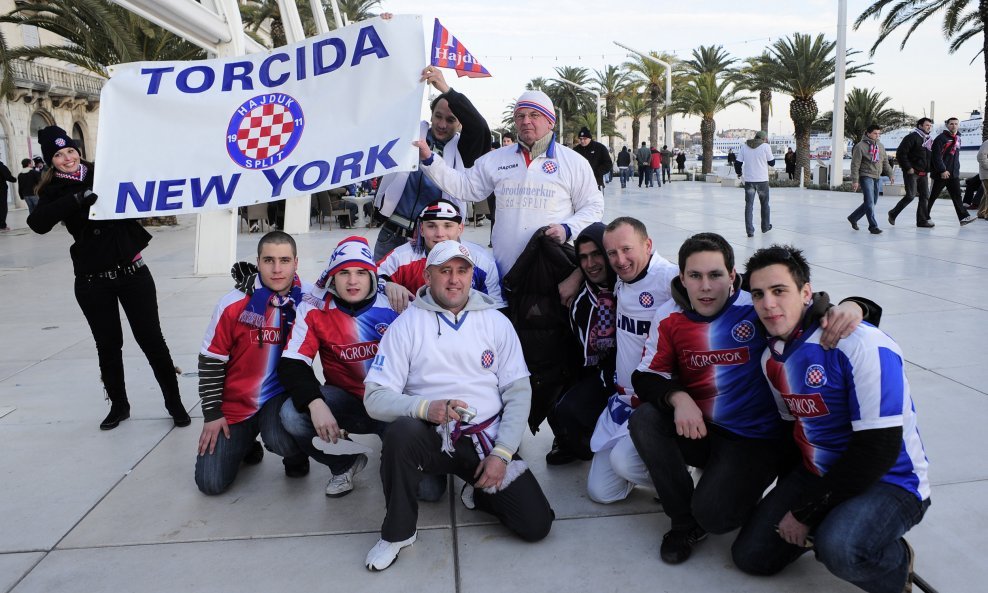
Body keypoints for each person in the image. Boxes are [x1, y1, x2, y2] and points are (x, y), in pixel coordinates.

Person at [629, 233, 869, 564]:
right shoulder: (669, 316)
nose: (705, 287)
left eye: (715, 275)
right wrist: (678, 397)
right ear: (681, 278)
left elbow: (807, 309)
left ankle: (730, 493)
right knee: (644, 419)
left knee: (716, 518)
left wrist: (856, 305)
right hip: (701, 428)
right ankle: (683, 523)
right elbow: (645, 375)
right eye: (695, 276)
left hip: (754, 440)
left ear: (732, 276)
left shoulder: (754, 306)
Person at [732, 245, 930, 593]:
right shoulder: (771, 359)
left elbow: (878, 450)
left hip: (890, 481)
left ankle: (894, 563)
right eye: (759, 294)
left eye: (779, 291)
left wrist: (806, 513)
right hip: (818, 475)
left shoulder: (862, 344)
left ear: (806, 292)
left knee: (838, 548)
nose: (768, 304)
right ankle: (832, 526)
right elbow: (791, 429)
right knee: (751, 557)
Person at [362, 240, 554, 570]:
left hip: (485, 441)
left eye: (462, 271)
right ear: (427, 276)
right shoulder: (406, 325)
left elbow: (518, 392)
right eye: (445, 271)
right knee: (400, 433)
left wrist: (502, 453)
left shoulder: (495, 321)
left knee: (537, 525)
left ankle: (478, 491)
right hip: (430, 435)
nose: (454, 280)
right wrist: (424, 408)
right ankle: (398, 532)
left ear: (471, 276)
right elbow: (374, 399)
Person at [26, 125, 190, 430]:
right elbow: (37, 223)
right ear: (51, 162)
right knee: (108, 344)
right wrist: (78, 199)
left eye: (71, 151)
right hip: (93, 279)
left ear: (78, 151)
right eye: (59, 155)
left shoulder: (105, 172)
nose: (67, 158)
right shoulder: (51, 191)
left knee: (152, 339)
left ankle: (174, 401)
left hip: (132, 271)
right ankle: (119, 405)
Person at [414, 89, 604, 278]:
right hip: (505, 271)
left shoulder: (573, 162)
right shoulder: (496, 159)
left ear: (550, 121)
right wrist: (430, 160)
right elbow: (465, 187)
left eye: (534, 115)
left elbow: (593, 206)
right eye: (520, 116)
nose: (526, 121)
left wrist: (567, 228)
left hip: (552, 272)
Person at [276, 237, 403, 498]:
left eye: (360, 273)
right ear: (332, 276)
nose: (352, 281)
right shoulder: (314, 307)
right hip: (347, 403)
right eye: (344, 272)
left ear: (372, 276)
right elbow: (292, 363)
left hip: (393, 404)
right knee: (291, 414)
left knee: (427, 490)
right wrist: (315, 402)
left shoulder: (395, 304)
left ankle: (394, 449)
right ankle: (345, 463)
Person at [195, 232, 310, 495]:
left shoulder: (306, 301)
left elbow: (350, 287)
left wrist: (387, 285)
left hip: (278, 398)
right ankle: (245, 443)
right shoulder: (233, 304)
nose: (277, 269)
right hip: (236, 402)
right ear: (258, 262)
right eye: (269, 260)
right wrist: (212, 413)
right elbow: (211, 360)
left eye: (285, 260)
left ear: (296, 263)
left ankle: (295, 455)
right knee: (210, 484)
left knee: (281, 435)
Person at [585, 217, 676, 504]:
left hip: (657, 406)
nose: (620, 260)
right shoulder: (622, 277)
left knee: (623, 462)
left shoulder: (670, 279)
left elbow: (725, 289)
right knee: (601, 492)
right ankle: (659, 470)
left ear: (648, 245)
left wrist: (814, 311)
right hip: (623, 402)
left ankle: (680, 482)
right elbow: (587, 267)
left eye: (627, 250)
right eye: (612, 253)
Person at [372, 66, 491, 260]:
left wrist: (447, 90)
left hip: (438, 242)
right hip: (392, 236)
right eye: (438, 116)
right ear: (431, 114)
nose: (442, 124)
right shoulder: (410, 133)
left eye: (451, 120)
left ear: (460, 123)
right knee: (384, 289)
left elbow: (480, 127)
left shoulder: (462, 150)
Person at [545, 222, 616, 465]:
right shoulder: (581, 303)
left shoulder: (632, 285)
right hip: (604, 374)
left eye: (597, 254)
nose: (590, 264)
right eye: (583, 257)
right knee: (565, 408)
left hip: (645, 380)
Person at [378, 198, 503, 313]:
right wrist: (387, 285)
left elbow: (497, 307)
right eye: (431, 226)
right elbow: (370, 277)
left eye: (448, 226)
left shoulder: (481, 259)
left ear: (460, 228)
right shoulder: (401, 257)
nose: (440, 234)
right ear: (421, 229)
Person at [928, 117, 977, 226]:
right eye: (951, 124)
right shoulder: (941, 139)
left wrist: (956, 170)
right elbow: (936, 157)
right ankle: (924, 216)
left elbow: (955, 156)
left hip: (953, 173)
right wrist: (942, 170)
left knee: (957, 196)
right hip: (942, 174)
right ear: (947, 125)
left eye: (956, 124)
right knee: (933, 196)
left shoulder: (958, 138)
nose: (954, 126)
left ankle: (963, 217)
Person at [887, 118, 935, 228]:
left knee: (925, 196)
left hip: (923, 173)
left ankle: (922, 221)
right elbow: (900, 153)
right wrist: (908, 167)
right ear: (920, 126)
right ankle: (893, 213)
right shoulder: (912, 137)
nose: (929, 127)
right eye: (927, 125)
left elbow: (929, 157)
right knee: (910, 195)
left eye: (930, 125)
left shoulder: (928, 139)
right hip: (912, 172)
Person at [847, 125, 894, 235]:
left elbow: (885, 162)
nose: (877, 136)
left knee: (873, 202)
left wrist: (890, 174)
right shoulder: (860, 146)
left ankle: (853, 218)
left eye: (878, 134)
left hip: (877, 177)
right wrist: (855, 180)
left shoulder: (880, 146)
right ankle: (873, 226)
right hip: (865, 176)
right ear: (868, 133)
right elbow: (855, 165)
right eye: (875, 133)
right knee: (869, 202)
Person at [735, 130, 776, 238]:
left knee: (749, 206)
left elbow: (738, 163)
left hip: (749, 180)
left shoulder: (745, 146)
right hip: (762, 180)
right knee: (765, 204)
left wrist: (739, 173)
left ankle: (750, 231)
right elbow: (772, 163)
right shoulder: (766, 147)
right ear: (763, 139)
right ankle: (765, 227)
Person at [573, 127, 613, 191]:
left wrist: (595, 172)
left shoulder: (600, 148)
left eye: (584, 139)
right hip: (579, 186)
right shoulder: (575, 150)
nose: (582, 141)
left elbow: (608, 164)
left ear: (589, 138)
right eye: (580, 139)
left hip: (596, 184)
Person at [0, 157, 16, 231]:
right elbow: (8, 177)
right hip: (1, 190)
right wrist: (15, 179)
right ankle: (2, 226)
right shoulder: (1, 166)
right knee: (2, 207)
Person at [978, 137, 988, 220]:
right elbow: (980, 156)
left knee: (986, 194)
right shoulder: (987, 143)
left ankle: (981, 212)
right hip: (986, 173)